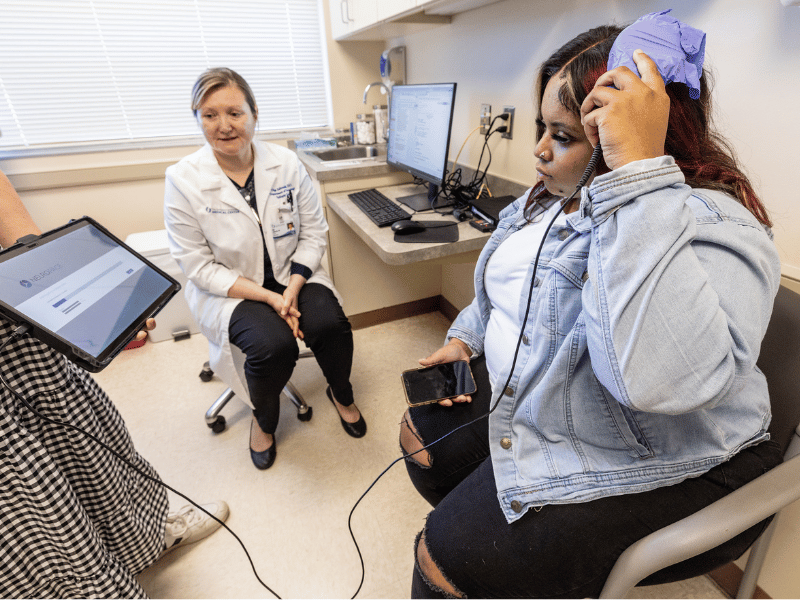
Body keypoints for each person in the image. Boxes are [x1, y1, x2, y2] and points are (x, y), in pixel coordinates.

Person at [398, 23, 783, 599]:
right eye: (541, 129)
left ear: (628, 134)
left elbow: (651, 381)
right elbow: (507, 289)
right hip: (542, 389)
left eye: (563, 135)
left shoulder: (711, 222)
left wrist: (635, 177)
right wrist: (465, 337)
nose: (538, 150)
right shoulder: (548, 198)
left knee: (444, 561)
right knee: (421, 439)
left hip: (652, 439)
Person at [0, 169, 229, 598]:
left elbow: (13, 221)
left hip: (20, 331)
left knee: (94, 453)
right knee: (34, 517)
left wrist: (68, 298)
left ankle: (144, 540)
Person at [164, 67, 366, 471]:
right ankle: (265, 419)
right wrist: (271, 298)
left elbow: (314, 233)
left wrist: (291, 288)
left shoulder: (286, 164)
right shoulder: (183, 180)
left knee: (330, 325)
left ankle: (340, 393)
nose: (223, 126)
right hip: (231, 288)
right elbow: (197, 266)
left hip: (294, 273)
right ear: (197, 118)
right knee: (273, 346)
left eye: (234, 113)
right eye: (209, 115)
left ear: (255, 113)